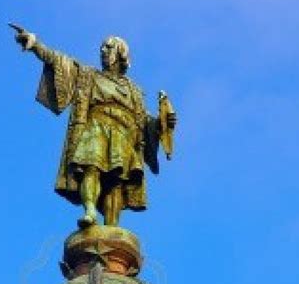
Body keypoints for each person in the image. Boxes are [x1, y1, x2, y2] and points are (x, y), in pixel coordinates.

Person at [12, 26, 177, 228]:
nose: (103, 52)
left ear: (120, 54)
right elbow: (59, 61)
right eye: (102, 49)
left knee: (116, 183)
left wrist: (162, 123)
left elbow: (144, 123)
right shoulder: (90, 75)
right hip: (96, 127)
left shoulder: (134, 91)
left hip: (124, 135)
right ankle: (90, 210)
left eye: (108, 48)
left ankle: (112, 226)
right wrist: (36, 45)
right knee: (91, 167)